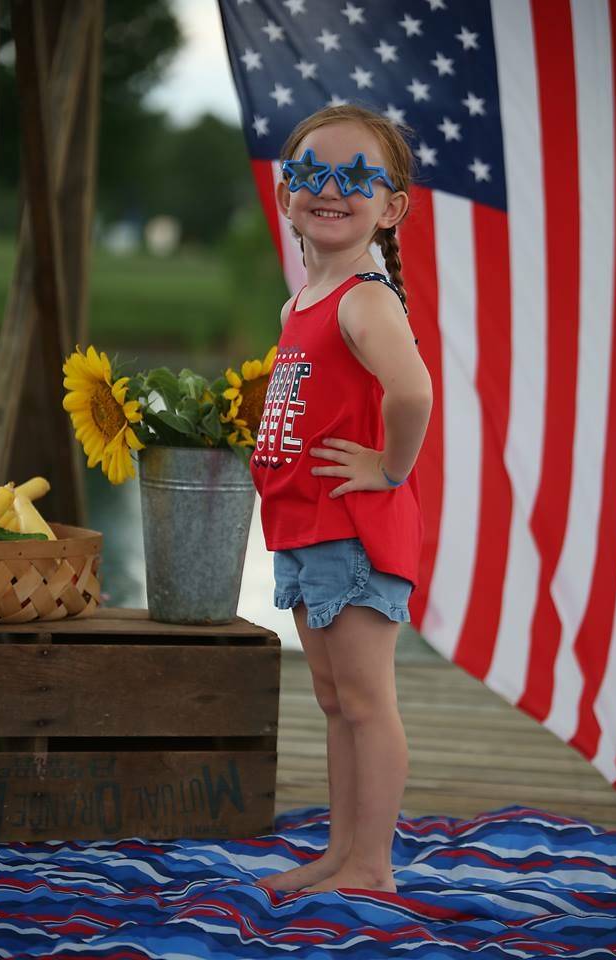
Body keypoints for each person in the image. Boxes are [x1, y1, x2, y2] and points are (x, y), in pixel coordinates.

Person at [249, 105, 433, 895]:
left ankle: (372, 865)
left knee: (365, 699)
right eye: (310, 173)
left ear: (390, 207)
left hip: (353, 532)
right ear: (287, 192)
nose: (330, 189)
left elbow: (413, 391)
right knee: (333, 699)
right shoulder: (301, 304)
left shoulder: (366, 297)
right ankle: (341, 849)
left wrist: (389, 469)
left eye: (357, 177)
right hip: (306, 529)